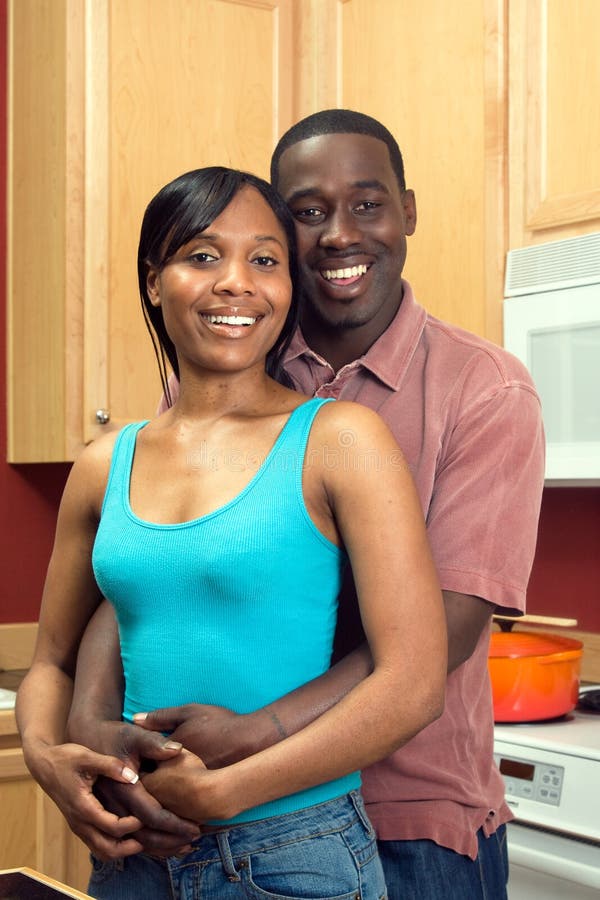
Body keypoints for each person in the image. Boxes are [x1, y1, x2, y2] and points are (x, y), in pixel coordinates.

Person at [31, 110, 545, 899]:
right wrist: (89, 730)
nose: (339, 234)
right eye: (308, 212)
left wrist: (253, 744)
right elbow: (152, 572)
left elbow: (433, 642)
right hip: (177, 816)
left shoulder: (481, 391)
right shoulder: (221, 368)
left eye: (367, 204)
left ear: (407, 211)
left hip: (407, 809)